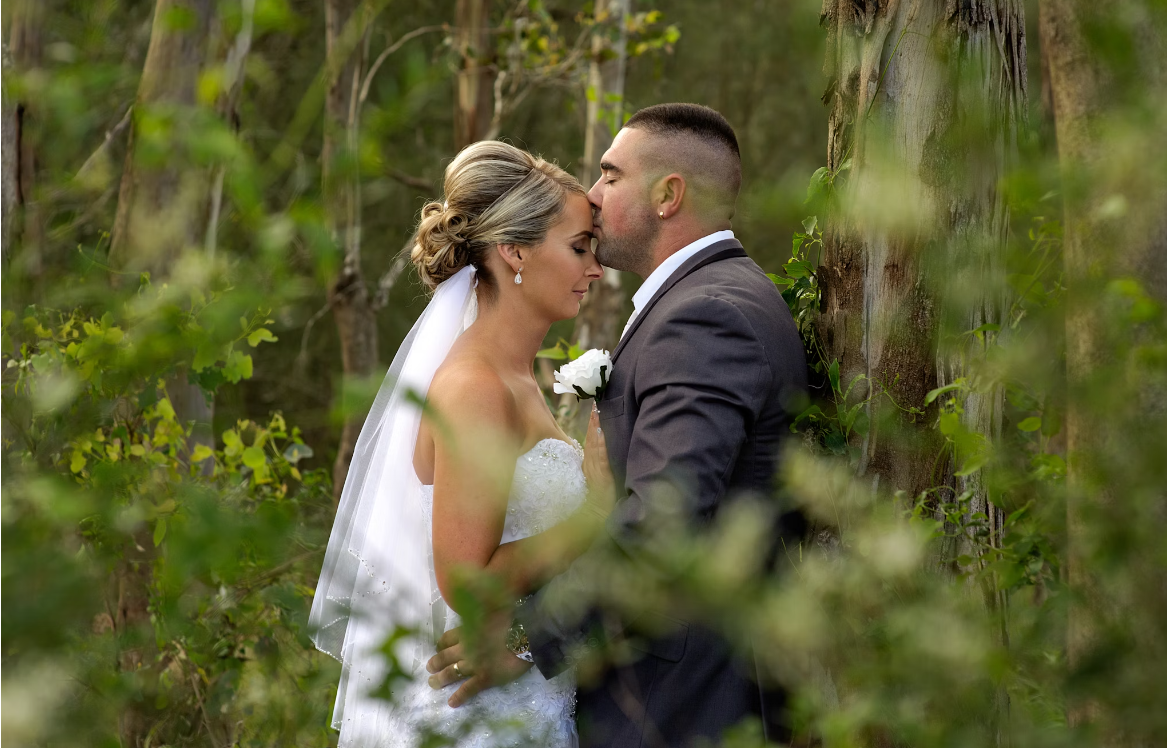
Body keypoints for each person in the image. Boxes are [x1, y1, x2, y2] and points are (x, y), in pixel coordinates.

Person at [426, 103, 809, 747]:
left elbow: (663, 523)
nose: (594, 198)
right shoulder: (714, 300)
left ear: (668, 195)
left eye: (610, 174)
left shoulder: (704, 318)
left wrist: (527, 639)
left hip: (686, 708)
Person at [309, 140, 613, 747]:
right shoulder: (475, 388)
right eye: (580, 247)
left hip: (523, 698)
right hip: (479, 718)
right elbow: (465, 582)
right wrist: (593, 511)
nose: (595, 269)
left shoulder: (516, 379)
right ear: (514, 251)